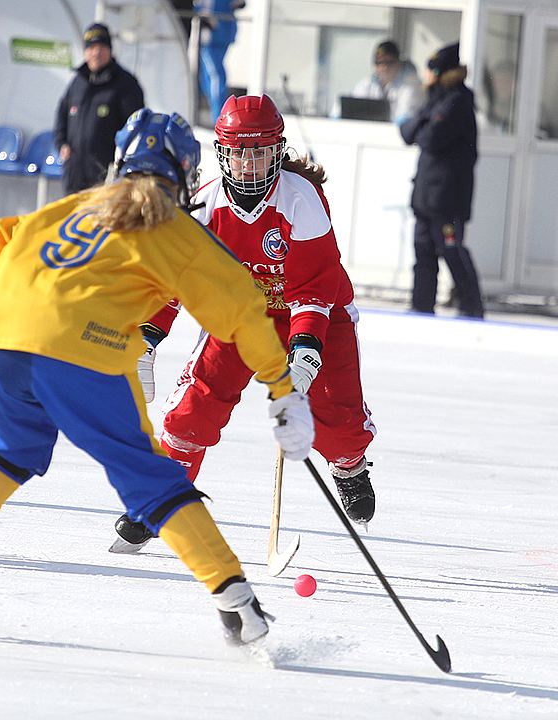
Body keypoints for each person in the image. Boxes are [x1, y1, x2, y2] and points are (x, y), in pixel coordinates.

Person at [0, 109, 314, 647]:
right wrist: (283, 390)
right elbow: (243, 308)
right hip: (76, 348)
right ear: (185, 174)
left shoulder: (70, 206)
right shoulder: (175, 230)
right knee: (151, 477)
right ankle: (235, 602)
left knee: (13, 445)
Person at [119, 94, 377, 551]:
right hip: (242, 318)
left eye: (259, 152)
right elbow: (175, 277)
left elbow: (314, 288)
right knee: (194, 409)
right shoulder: (206, 204)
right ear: (224, 154)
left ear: (276, 151)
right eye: (241, 153)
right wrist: (147, 337)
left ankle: (350, 463)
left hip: (319, 319)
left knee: (340, 427)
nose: (251, 165)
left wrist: (305, 353)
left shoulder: (302, 200)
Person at [399, 42, 484, 319]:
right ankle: (421, 305)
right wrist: (425, 121)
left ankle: (471, 305)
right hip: (426, 195)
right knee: (423, 252)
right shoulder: (435, 99)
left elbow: (432, 139)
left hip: (447, 197)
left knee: (451, 250)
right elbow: (409, 132)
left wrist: (424, 124)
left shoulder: (457, 100)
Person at [54, 23, 145, 194]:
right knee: (73, 220)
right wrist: (61, 144)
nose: (96, 52)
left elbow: (136, 129)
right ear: (85, 51)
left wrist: (120, 165)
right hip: (74, 173)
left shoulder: (126, 84)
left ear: (110, 50)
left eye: (102, 46)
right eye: (92, 47)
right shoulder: (77, 82)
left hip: (106, 177)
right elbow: (61, 116)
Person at [194, 0, 243, 124]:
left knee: (214, 76)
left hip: (223, 33)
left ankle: (218, 115)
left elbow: (239, 3)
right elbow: (197, 7)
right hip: (210, 37)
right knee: (214, 76)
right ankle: (218, 115)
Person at [351, 40, 422, 124]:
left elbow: (406, 114)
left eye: (389, 63)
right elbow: (352, 107)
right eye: (379, 63)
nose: (384, 67)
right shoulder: (367, 84)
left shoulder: (410, 85)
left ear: (398, 63)